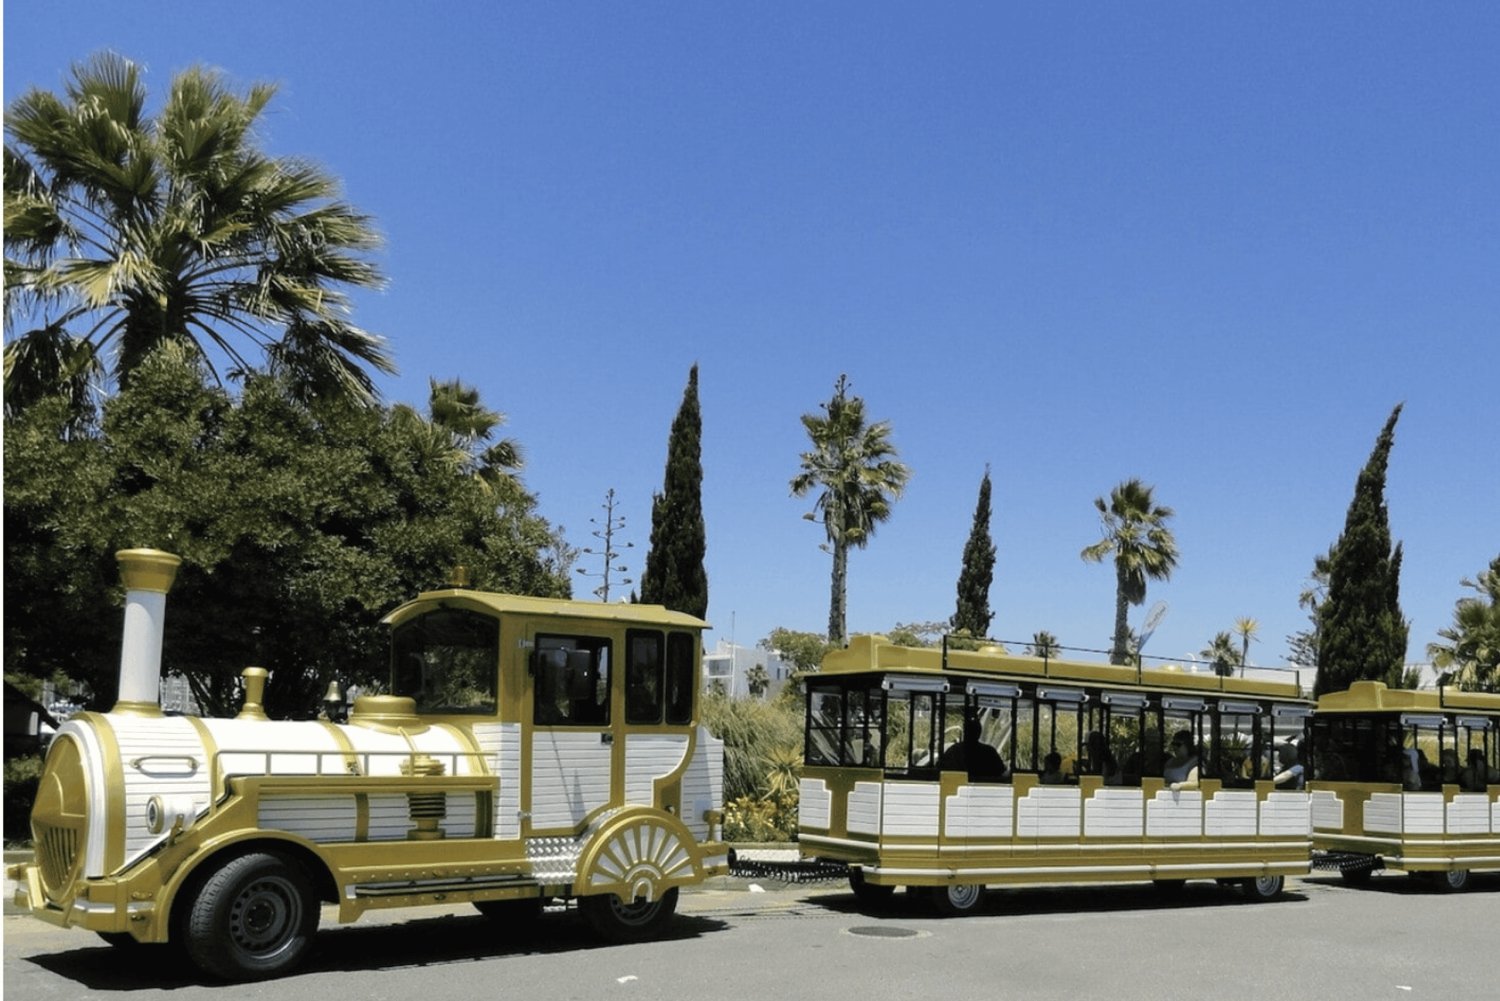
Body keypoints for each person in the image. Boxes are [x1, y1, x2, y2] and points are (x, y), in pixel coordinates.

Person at [938, 718, 1008, 780]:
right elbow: (1000, 771)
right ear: (979, 733)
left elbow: (941, 768)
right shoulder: (989, 752)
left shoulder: (954, 751)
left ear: (965, 732)